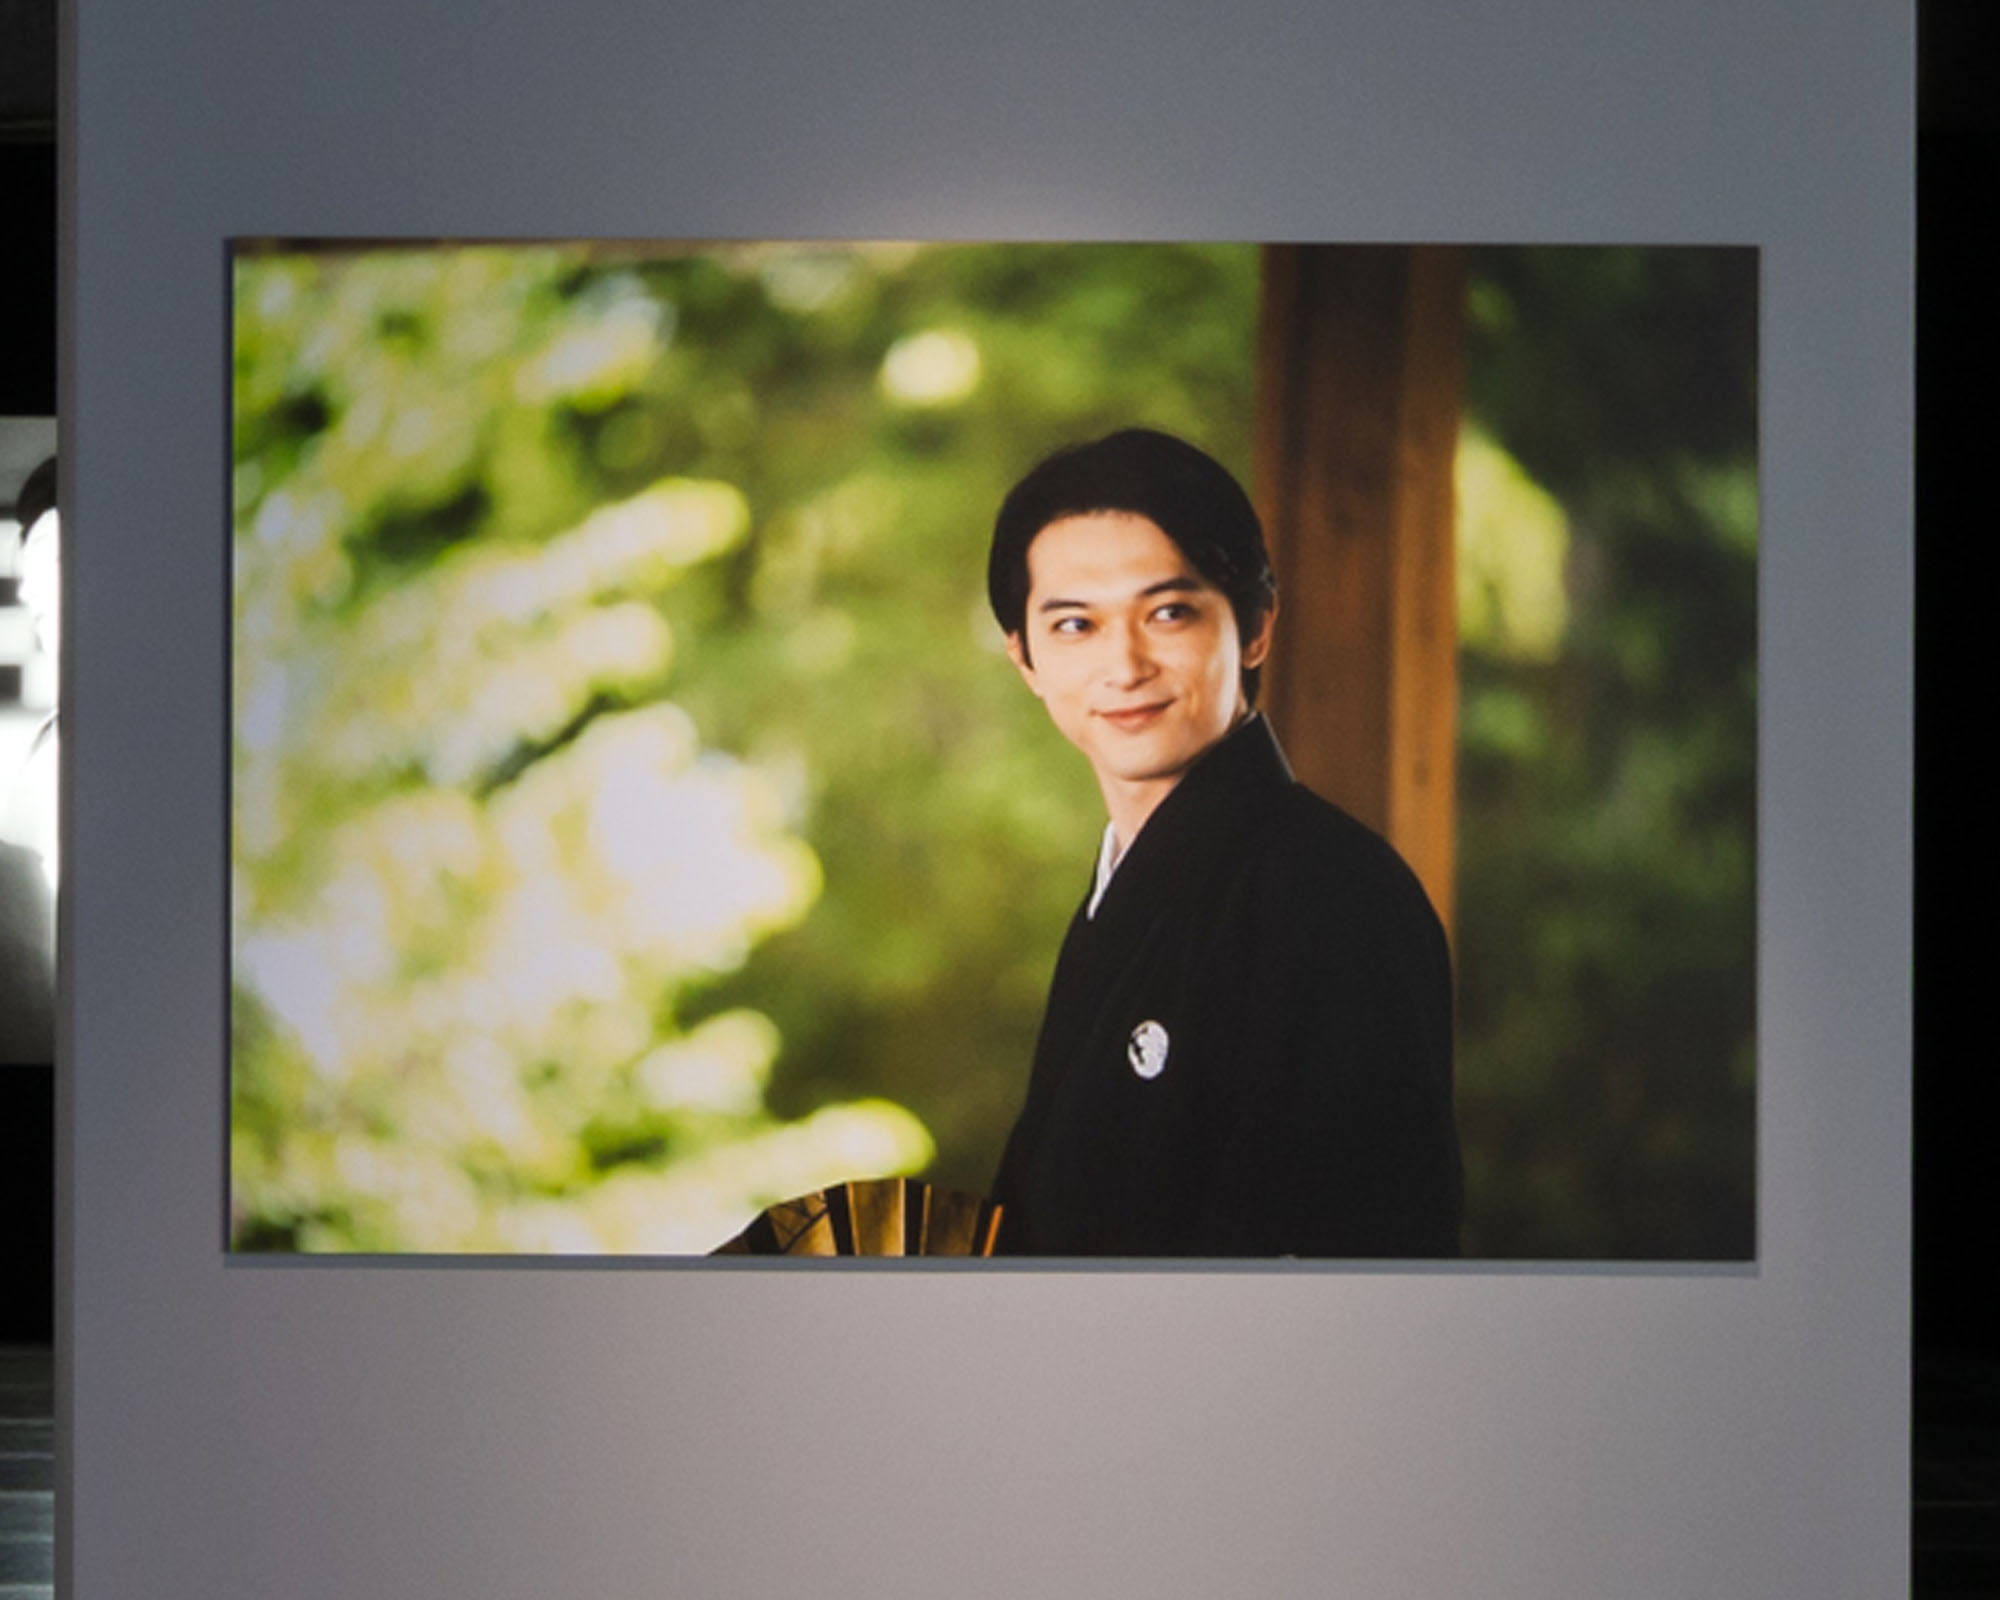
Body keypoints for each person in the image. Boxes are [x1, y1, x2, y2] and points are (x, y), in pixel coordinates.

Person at [985, 428, 1461, 1257]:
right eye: (1074, 626)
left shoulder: (1330, 892)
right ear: (1024, 658)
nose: (1123, 665)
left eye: (1169, 612)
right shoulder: (1120, 894)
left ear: (1256, 626)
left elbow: (1366, 1264)